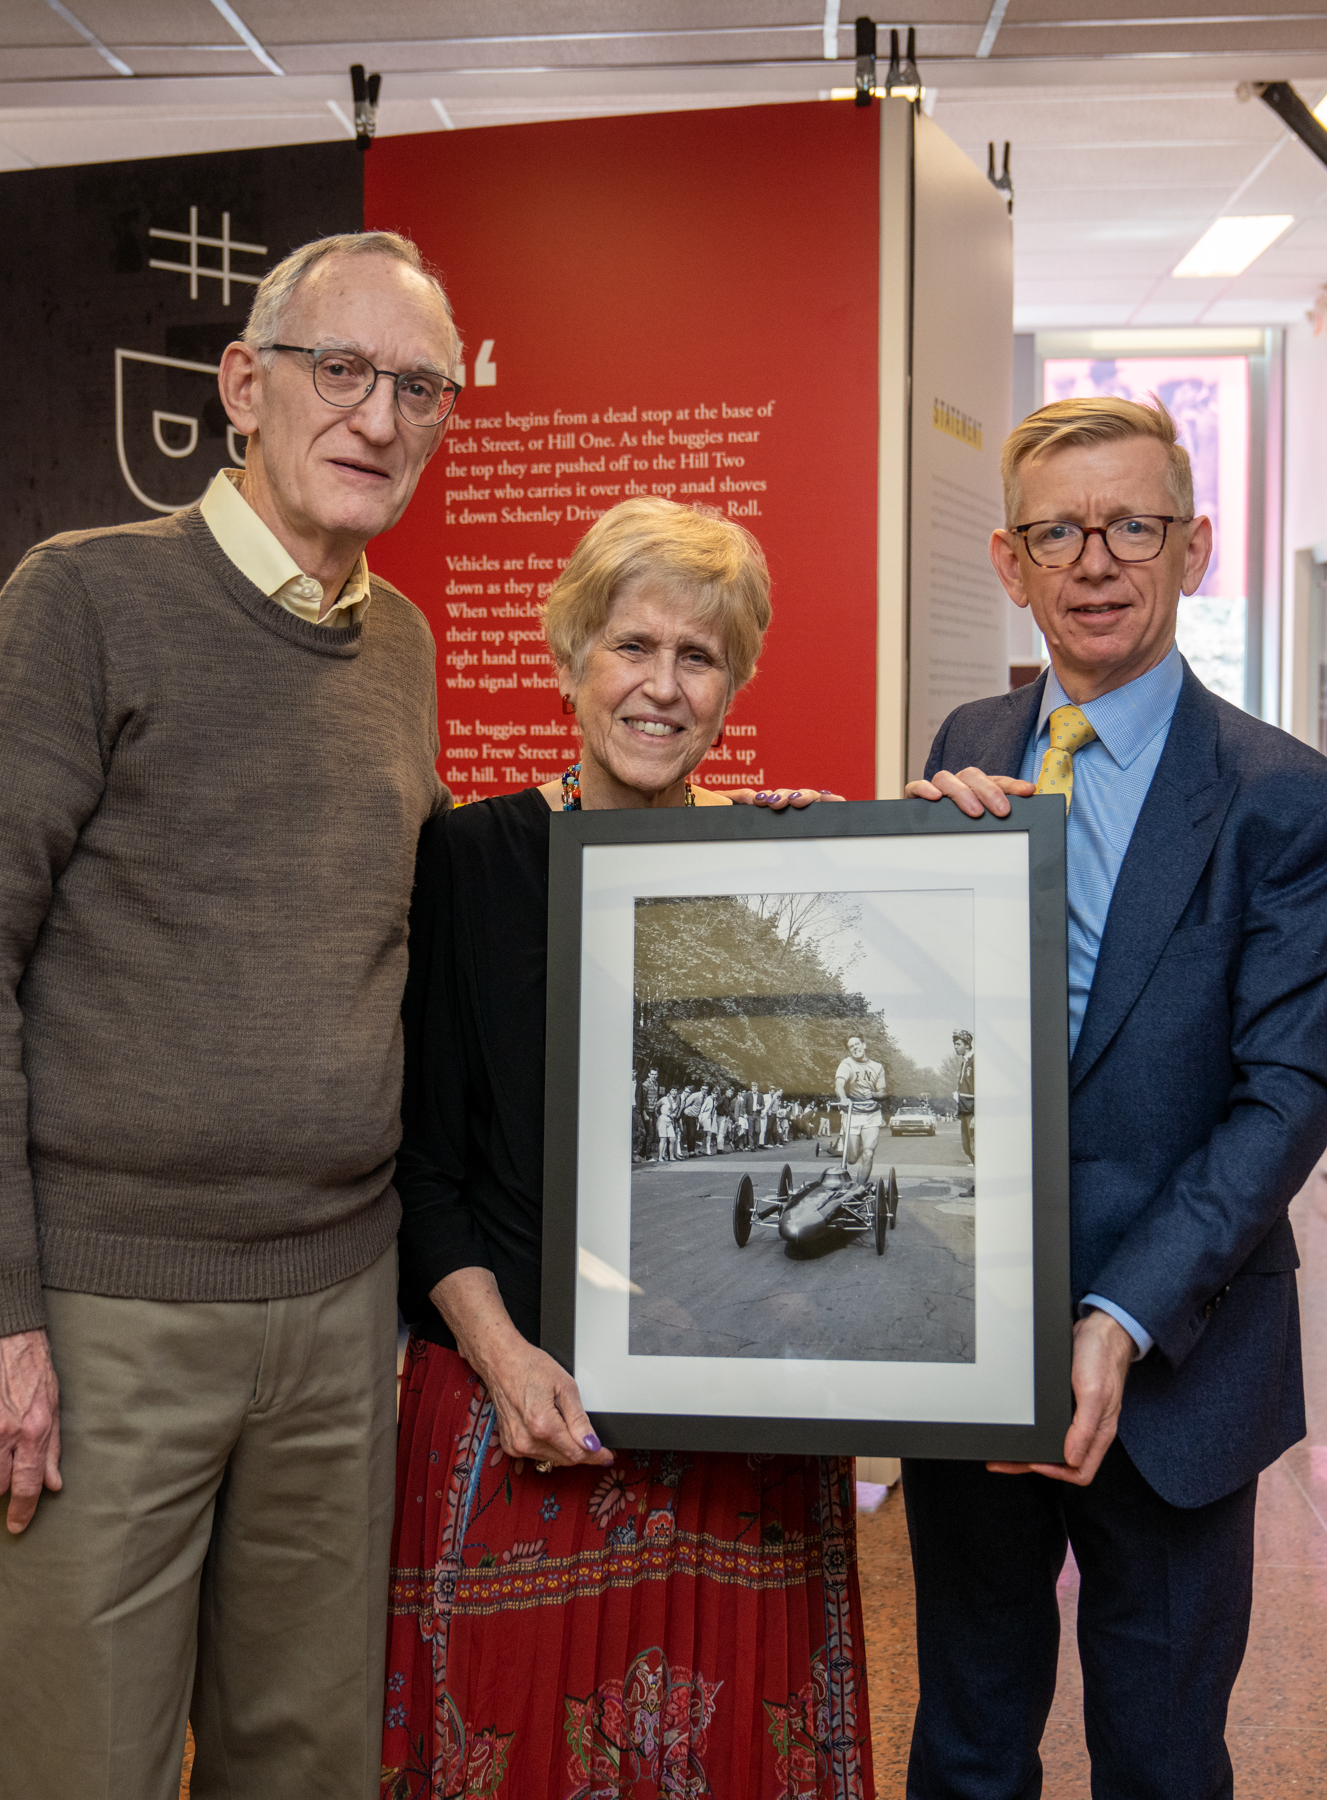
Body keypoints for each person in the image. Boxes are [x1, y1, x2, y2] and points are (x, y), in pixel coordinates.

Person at [0, 230, 466, 1800]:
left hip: (340, 1308)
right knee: (84, 1764)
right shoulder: (84, 600)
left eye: (419, 387)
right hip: (102, 1322)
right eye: (337, 369)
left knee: (308, 1762)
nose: (376, 415)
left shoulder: (400, 647)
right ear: (243, 387)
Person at [904, 396, 1327, 1798]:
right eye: (1061, 530)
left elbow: (1287, 1097)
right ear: (1011, 560)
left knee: (1163, 1752)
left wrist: (1117, 1318)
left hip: (1177, 1356)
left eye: (1134, 525)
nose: (1097, 559)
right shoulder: (970, 738)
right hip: (969, 1352)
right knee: (970, 1738)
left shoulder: (1290, 804)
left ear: (1195, 547)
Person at [386, 496, 869, 1799]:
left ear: (733, 684)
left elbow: (815, 1184)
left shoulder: (781, 880)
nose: (661, 687)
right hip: (515, 1410)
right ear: (568, 660)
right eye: (631, 645)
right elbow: (424, 1173)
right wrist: (505, 1360)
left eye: (698, 656)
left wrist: (956, 841)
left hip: (735, 1441)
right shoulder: (469, 862)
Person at [832, 1034, 888, 1186]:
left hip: (872, 1115)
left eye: (857, 1044)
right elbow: (839, 1084)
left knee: (868, 1154)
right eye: (851, 1046)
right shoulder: (846, 1064)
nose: (855, 1047)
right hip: (852, 1114)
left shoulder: (877, 1067)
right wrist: (843, 1099)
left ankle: (858, 1190)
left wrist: (873, 1094)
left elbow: (882, 1093)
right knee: (851, 1159)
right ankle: (854, 1142)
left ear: (864, 1045)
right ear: (849, 1051)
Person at [943, 1028, 977, 1167]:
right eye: (955, 1045)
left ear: (967, 1045)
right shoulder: (965, 1062)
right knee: (967, 1147)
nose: (955, 1048)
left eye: (958, 1044)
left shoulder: (975, 1061)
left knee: (975, 1148)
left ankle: (980, 1185)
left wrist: (976, 1115)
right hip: (964, 1110)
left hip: (972, 1111)